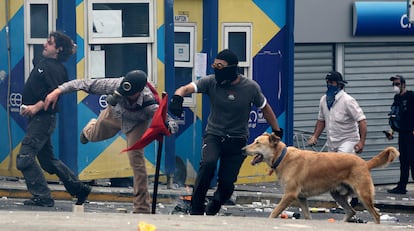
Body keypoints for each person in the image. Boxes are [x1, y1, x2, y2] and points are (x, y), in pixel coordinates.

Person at [44, 69, 178, 213]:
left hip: (136, 124)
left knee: (137, 161)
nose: (126, 97)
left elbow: (169, 120)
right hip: (114, 114)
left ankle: (141, 208)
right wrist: (57, 91)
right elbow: (84, 84)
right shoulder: (115, 85)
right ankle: (89, 129)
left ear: (139, 92)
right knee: (95, 135)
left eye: (130, 95)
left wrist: (169, 126)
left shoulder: (149, 102)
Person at [168, 49, 283, 215]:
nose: (216, 69)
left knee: (227, 184)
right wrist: (177, 98)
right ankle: (196, 208)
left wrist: (277, 130)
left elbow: (265, 108)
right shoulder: (211, 82)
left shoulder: (249, 87)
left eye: (220, 66)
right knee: (208, 164)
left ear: (231, 69)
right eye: (214, 65)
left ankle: (214, 206)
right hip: (214, 135)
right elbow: (186, 88)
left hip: (237, 140)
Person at [17, 31, 91, 207]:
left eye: (49, 43)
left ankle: (42, 196)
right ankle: (79, 189)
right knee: (48, 161)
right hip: (40, 120)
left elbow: (53, 95)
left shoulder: (54, 68)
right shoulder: (46, 63)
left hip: (42, 120)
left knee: (25, 158)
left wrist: (35, 107)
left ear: (58, 49)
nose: (45, 44)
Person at [307, 71, 367, 208]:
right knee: (333, 172)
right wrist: (315, 136)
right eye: (327, 83)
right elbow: (321, 120)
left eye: (332, 83)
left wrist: (361, 141)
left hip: (348, 140)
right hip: (332, 141)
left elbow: (362, 121)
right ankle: (346, 199)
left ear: (339, 85)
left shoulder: (347, 101)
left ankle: (350, 200)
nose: (329, 85)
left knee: (343, 169)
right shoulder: (324, 100)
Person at [387, 75, 414, 194]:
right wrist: (392, 131)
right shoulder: (397, 98)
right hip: (402, 133)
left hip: (411, 133)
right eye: (393, 84)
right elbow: (395, 115)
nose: (395, 87)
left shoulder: (411, 96)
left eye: (397, 84)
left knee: (412, 160)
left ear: (403, 84)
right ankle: (401, 186)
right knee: (403, 160)